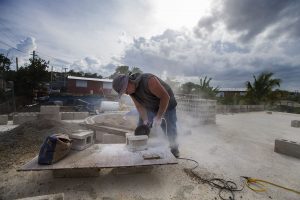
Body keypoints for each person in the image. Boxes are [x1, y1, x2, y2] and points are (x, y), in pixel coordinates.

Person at [112, 72, 180, 158]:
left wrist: (159, 117)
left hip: (167, 103)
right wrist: (145, 120)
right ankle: (140, 147)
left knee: (169, 127)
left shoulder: (148, 80)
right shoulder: (132, 92)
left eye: (125, 90)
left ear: (128, 83)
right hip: (151, 105)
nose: (126, 93)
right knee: (142, 126)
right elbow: (140, 107)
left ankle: (174, 149)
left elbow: (165, 97)